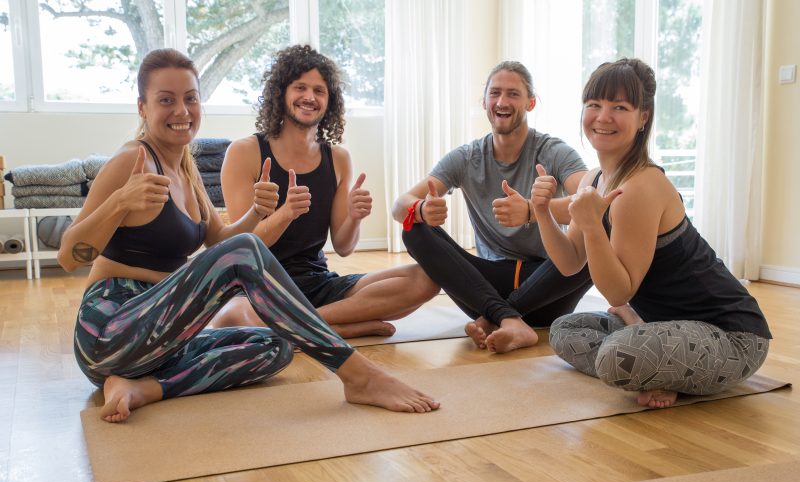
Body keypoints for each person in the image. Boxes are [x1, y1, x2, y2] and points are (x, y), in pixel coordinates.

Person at [58, 49, 439, 423]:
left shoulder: (186, 169)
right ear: (142, 107)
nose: (182, 111)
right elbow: (68, 256)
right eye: (166, 100)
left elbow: (220, 242)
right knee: (245, 253)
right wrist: (119, 202)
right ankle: (359, 376)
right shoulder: (132, 159)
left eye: (191, 99)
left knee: (275, 347)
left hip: (160, 338)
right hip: (109, 330)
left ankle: (144, 388)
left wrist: (258, 212)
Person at [532, 58, 771, 408]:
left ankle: (662, 367)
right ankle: (658, 360)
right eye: (594, 105)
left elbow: (617, 290)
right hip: (666, 325)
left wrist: (591, 225)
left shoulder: (641, 187)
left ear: (643, 117)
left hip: (733, 336)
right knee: (564, 331)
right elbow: (569, 263)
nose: (603, 116)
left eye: (620, 107)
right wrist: (541, 212)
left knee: (615, 357)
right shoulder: (593, 179)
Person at [209, 45, 439, 338]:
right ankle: (338, 327)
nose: (309, 97)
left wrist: (354, 218)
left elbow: (343, 247)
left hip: (316, 283)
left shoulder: (338, 158)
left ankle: (309, 326)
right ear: (281, 94)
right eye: (300, 87)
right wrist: (286, 214)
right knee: (229, 319)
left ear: (330, 101)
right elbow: (243, 249)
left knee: (426, 279)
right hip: (258, 286)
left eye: (319, 90)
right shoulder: (244, 152)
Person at [392, 61, 590, 354]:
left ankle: (499, 319)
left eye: (513, 94)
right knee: (413, 228)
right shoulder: (467, 156)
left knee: (601, 229)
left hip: (549, 289)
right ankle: (509, 319)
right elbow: (400, 204)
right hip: (486, 287)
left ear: (530, 102)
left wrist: (532, 211)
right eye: (495, 93)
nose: (502, 101)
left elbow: (589, 201)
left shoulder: (554, 152)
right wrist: (422, 209)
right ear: (484, 101)